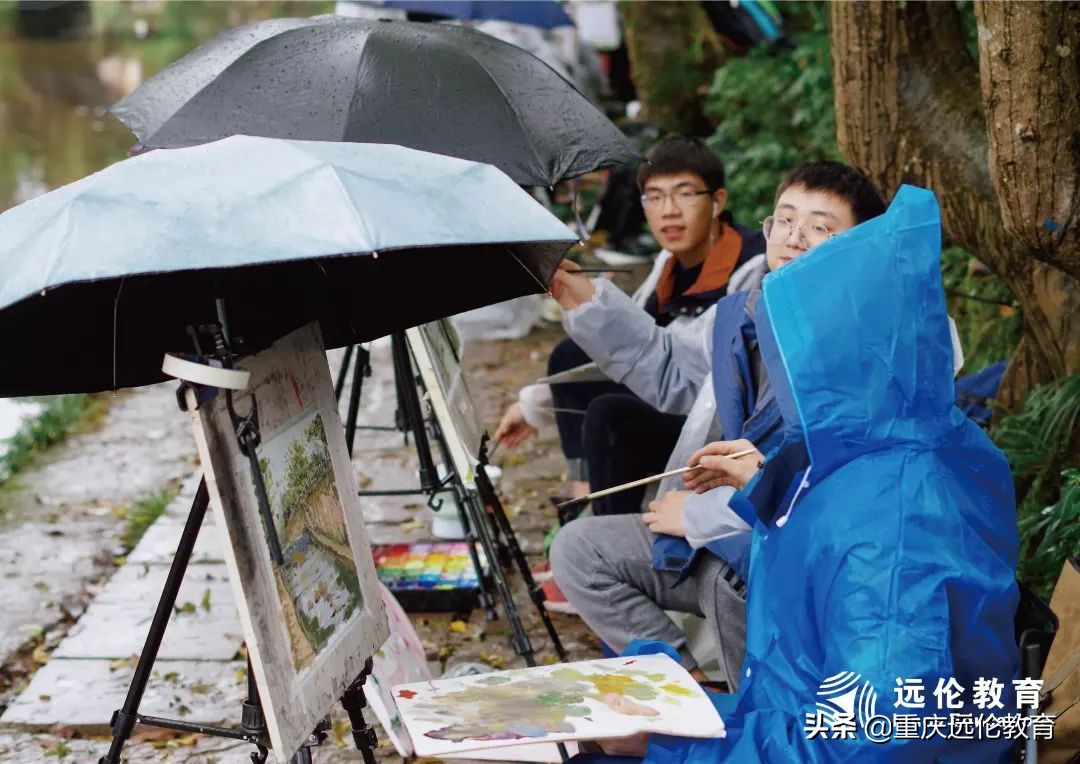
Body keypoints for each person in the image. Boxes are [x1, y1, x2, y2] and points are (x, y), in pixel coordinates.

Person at [621, 185, 1021, 762]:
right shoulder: (878, 443)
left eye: (794, 351)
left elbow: (870, 742)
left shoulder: (897, 523)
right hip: (787, 717)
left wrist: (667, 747)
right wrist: (769, 484)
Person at [549, 161, 889, 686]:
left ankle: (754, 712)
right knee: (579, 549)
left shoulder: (871, 349)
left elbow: (833, 509)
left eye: (821, 227)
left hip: (795, 564)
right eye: (785, 220)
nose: (795, 238)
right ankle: (692, 693)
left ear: (858, 248)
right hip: (716, 535)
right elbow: (669, 367)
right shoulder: (746, 310)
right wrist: (579, 295)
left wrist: (702, 517)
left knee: (734, 582)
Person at [494, 136, 764, 515]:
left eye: (684, 194)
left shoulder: (752, 271)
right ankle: (581, 497)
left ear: (717, 201)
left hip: (714, 419)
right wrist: (534, 405)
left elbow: (679, 362)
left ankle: (606, 532)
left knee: (610, 417)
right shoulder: (667, 264)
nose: (668, 211)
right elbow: (627, 346)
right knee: (569, 354)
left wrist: (589, 301)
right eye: (654, 197)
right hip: (666, 385)